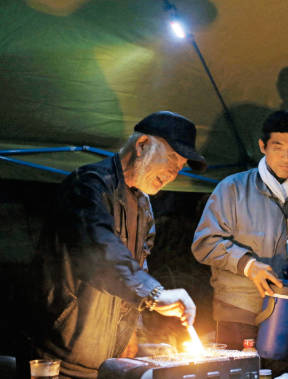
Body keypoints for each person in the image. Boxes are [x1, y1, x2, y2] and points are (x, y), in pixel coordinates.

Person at [24, 111, 207, 378]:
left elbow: (135, 269)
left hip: (108, 364)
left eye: (179, 167)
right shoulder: (87, 186)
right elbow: (100, 250)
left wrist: (135, 335)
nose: (173, 173)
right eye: (171, 160)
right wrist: (154, 294)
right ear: (142, 145)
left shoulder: (143, 206)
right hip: (58, 361)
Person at [191, 110, 288, 377]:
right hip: (239, 315)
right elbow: (204, 242)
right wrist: (248, 265)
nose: (287, 157)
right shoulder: (233, 189)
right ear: (262, 146)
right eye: (278, 148)